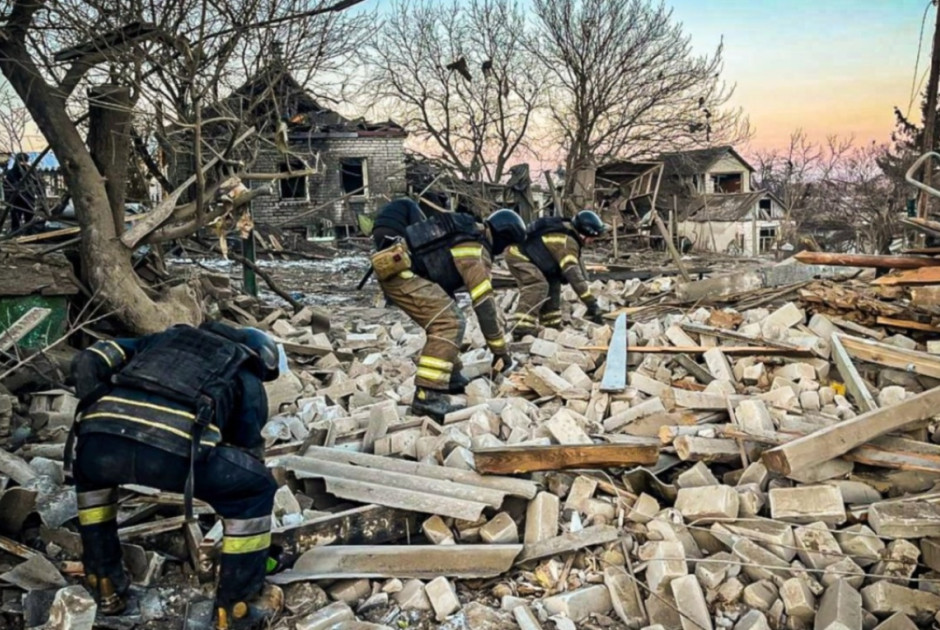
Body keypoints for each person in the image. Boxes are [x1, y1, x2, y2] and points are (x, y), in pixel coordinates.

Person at [69, 322, 283, 630]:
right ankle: (237, 609)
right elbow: (247, 449)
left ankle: (104, 582)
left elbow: (89, 359)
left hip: (98, 444)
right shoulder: (243, 367)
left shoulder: (162, 339)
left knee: (93, 487)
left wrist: (94, 410)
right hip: (172, 456)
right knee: (255, 489)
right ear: (260, 356)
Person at [369, 199, 525, 419]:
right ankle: (427, 396)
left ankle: (451, 377)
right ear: (504, 239)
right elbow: (484, 305)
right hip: (402, 275)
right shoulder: (476, 248)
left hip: (403, 271)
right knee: (449, 322)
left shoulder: (469, 234)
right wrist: (500, 351)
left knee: (450, 314)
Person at [507, 210, 607, 339]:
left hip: (535, 258)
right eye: (593, 237)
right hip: (518, 255)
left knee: (554, 283)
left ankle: (551, 326)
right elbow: (574, 276)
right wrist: (592, 304)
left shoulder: (568, 233)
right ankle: (521, 327)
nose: (593, 241)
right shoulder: (567, 242)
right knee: (538, 285)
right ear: (585, 233)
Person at [3, 152, 46, 231]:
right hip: (16, 201)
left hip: (29, 200)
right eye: (20, 161)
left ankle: (28, 235)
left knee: (29, 221)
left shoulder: (31, 171)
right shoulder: (11, 173)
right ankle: (15, 236)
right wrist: (9, 201)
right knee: (16, 222)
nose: (22, 164)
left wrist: (41, 198)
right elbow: (6, 187)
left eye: (24, 161)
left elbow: (39, 184)